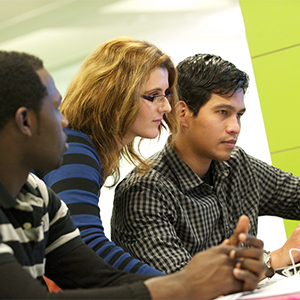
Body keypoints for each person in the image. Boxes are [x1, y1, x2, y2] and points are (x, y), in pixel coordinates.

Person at [0, 50, 265, 299]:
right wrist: (185, 283)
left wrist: (193, 282)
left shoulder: (39, 196)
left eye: (166, 95)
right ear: (25, 121)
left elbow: (96, 276)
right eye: (55, 108)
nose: (64, 121)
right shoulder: (79, 150)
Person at [111, 53, 300, 276]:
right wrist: (273, 261)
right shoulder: (144, 191)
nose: (235, 127)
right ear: (183, 113)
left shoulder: (238, 165)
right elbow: (185, 282)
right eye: (223, 112)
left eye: (238, 115)